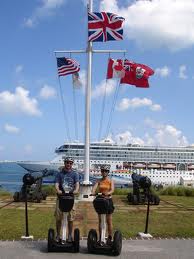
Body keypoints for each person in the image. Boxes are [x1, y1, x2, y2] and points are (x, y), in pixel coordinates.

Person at [55, 157, 79, 242]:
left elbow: (77, 184)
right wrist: (58, 190)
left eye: (70, 163)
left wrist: (76, 190)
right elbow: (57, 184)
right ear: (64, 163)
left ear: (72, 164)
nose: (68, 164)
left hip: (71, 198)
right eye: (67, 163)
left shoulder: (75, 174)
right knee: (58, 218)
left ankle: (69, 235)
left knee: (70, 218)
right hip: (61, 198)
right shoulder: (59, 174)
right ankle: (58, 235)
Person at [91, 164, 115, 245]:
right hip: (101, 201)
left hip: (108, 201)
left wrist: (107, 193)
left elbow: (112, 190)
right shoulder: (98, 181)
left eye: (105, 171)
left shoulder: (110, 180)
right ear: (101, 172)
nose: (104, 172)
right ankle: (101, 237)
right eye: (102, 171)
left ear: (108, 172)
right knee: (101, 221)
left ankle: (110, 237)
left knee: (109, 221)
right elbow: (94, 188)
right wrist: (93, 192)